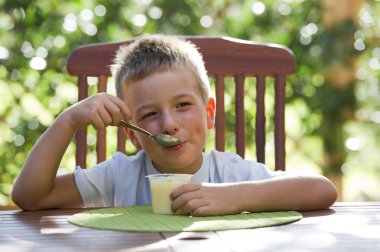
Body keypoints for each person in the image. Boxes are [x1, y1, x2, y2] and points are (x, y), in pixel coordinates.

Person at [12, 35, 337, 216]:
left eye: (182, 105)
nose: (169, 124)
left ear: (209, 113)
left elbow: (321, 189)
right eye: (150, 114)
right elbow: (30, 197)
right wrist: (68, 120)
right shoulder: (117, 177)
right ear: (132, 134)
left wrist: (235, 198)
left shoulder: (229, 175)